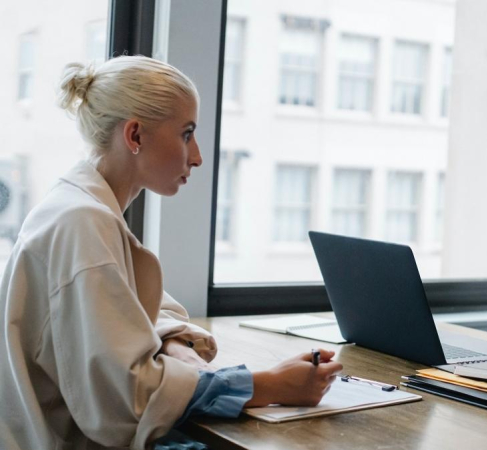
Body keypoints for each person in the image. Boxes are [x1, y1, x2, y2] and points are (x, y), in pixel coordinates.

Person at [0, 55, 343, 449]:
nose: (196, 156)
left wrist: (174, 344)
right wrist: (270, 385)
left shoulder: (78, 208)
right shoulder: (82, 223)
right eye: (186, 134)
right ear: (134, 136)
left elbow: (140, 314)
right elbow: (127, 402)